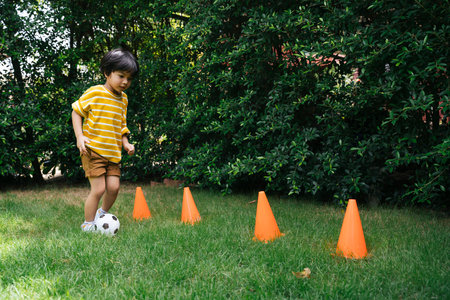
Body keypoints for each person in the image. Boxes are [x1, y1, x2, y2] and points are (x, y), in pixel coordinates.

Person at [71, 47, 139, 232]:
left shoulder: (123, 100)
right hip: (93, 150)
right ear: (107, 73)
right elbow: (76, 112)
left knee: (114, 188)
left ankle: (102, 214)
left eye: (129, 78)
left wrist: (126, 143)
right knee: (99, 189)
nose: (125, 82)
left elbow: (121, 125)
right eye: (121, 76)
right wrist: (80, 137)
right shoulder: (95, 92)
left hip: (113, 153)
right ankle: (88, 223)